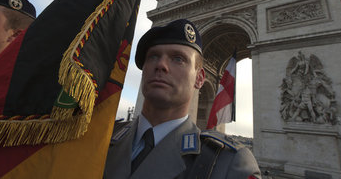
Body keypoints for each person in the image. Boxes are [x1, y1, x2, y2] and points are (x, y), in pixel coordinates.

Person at [104, 19, 261, 179]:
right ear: (143, 70)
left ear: (199, 78)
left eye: (178, 58)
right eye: (153, 57)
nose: (161, 65)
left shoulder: (230, 164)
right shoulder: (103, 134)